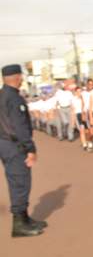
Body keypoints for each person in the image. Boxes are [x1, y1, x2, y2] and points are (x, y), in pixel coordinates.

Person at [1, 65, 47, 237]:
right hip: (15, 145)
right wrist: (30, 148)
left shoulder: (2, 95)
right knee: (20, 182)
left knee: (17, 180)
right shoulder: (14, 98)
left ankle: (25, 219)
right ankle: (19, 225)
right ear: (18, 77)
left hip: (5, 144)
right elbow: (19, 126)